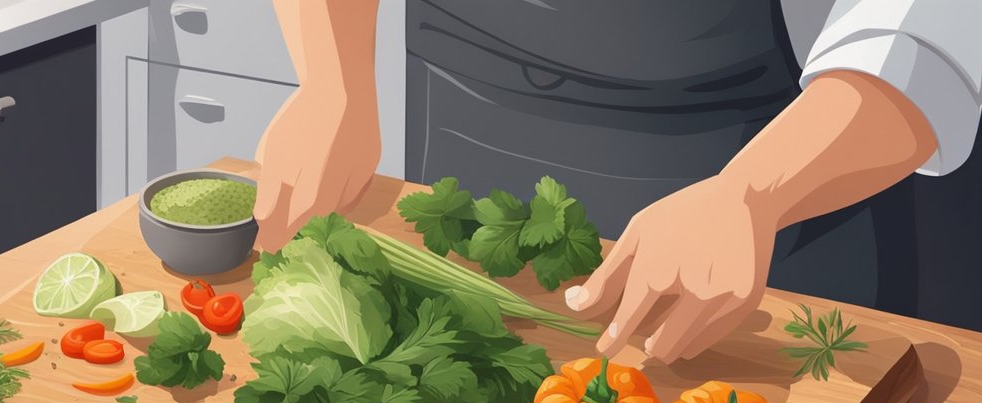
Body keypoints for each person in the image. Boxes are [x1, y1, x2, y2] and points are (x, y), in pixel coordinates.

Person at [253, 0, 982, 361]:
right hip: (472, 173)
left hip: (771, 217)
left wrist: (752, 196)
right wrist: (333, 80)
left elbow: (921, 29)